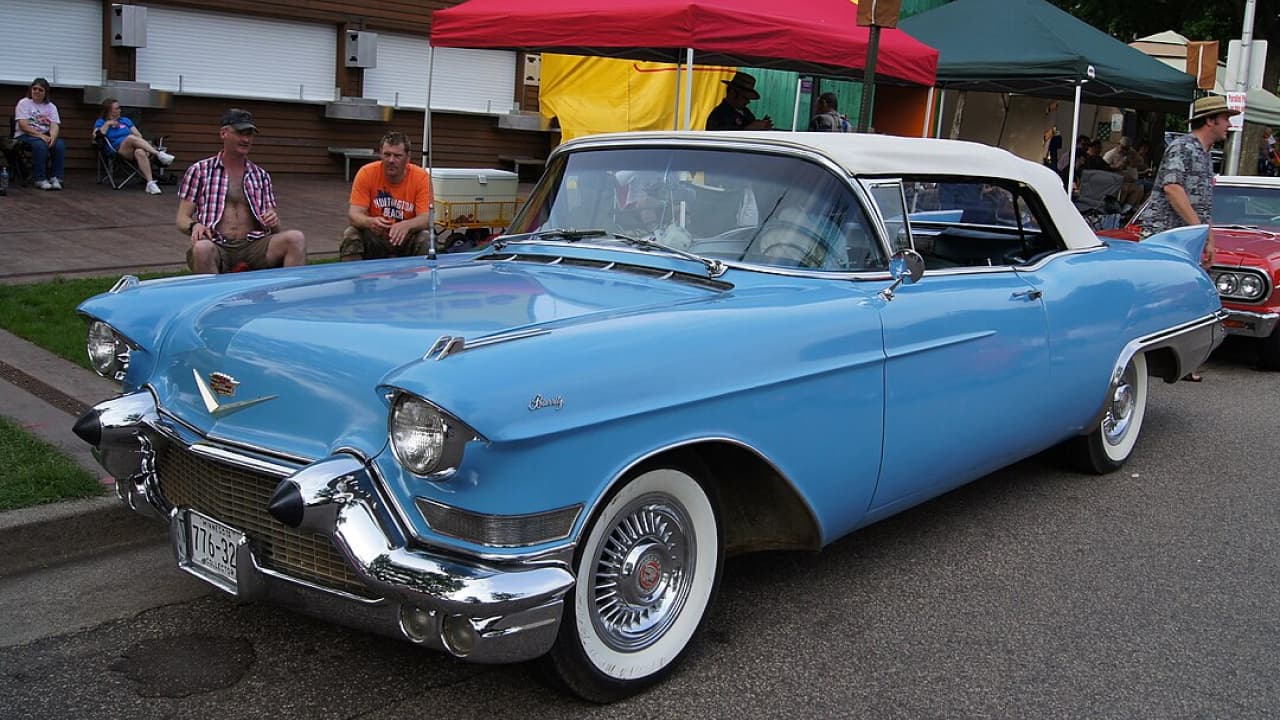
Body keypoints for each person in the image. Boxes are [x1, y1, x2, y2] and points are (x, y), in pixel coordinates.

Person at [1133, 95, 1239, 381]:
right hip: (1165, 237)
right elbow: (1172, 188)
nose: (1229, 125)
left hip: (1188, 240)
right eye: (1226, 119)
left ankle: (1184, 361)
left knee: (1185, 299)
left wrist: (1210, 240)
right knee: (1153, 297)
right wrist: (1199, 232)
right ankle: (1136, 356)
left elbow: (1204, 203)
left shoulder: (1205, 154)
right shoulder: (1183, 147)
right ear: (1210, 120)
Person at [176, 108, 306, 274]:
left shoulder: (261, 175)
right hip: (217, 243)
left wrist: (274, 221)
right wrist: (194, 225)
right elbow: (181, 219)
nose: (246, 139)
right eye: (240, 133)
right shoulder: (200, 171)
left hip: (253, 245)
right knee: (202, 248)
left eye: (250, 134)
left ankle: (289, 297)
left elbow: (274, 228)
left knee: (296, 238)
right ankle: (216, 299)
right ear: (224, 133)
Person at [340, 131, 433, 261]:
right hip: (376, 238)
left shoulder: (421, 177)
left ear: (408, 157)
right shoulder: (366, 173)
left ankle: (422, 279)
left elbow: (426, 218)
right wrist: (370, 222)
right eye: (387, 154)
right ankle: (352, 278)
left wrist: (407, 225)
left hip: (406, 239)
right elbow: (354, 214)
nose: (391, 160)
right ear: (380, 154)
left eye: (397, 156)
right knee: (351, 234)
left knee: (425, 238)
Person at [93, 98, 176, 195]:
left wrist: (141, 145)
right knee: (130, 138)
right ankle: (158, 154)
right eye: (117, 108)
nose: (120, 110)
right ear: (109, 110)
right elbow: (95, 137)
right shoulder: (101, 122)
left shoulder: (125, 121)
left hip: (132, 149)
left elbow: (139, 136)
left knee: (140, 152)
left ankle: (150, 184)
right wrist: (107, 124)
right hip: (116, 149)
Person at [13, 78, 65, 191]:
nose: (36, 91)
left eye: (40, 90)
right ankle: (40, 179)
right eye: (34, 88)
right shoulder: (24, 103)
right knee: (40, 145)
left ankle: (56, 178)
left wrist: (53, 138)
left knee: (59, 145)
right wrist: (41, 136)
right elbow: (23, 125)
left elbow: (54, 125)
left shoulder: (51, 107)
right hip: (24, 135)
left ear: (45, 92)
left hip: (45, 135)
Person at [706, 72, 773, 131]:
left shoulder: (746, 112)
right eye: (745, 97)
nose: (748, 101)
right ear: (732, 93)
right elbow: (721, 139)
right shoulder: (718, 115)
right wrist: (748, 129)